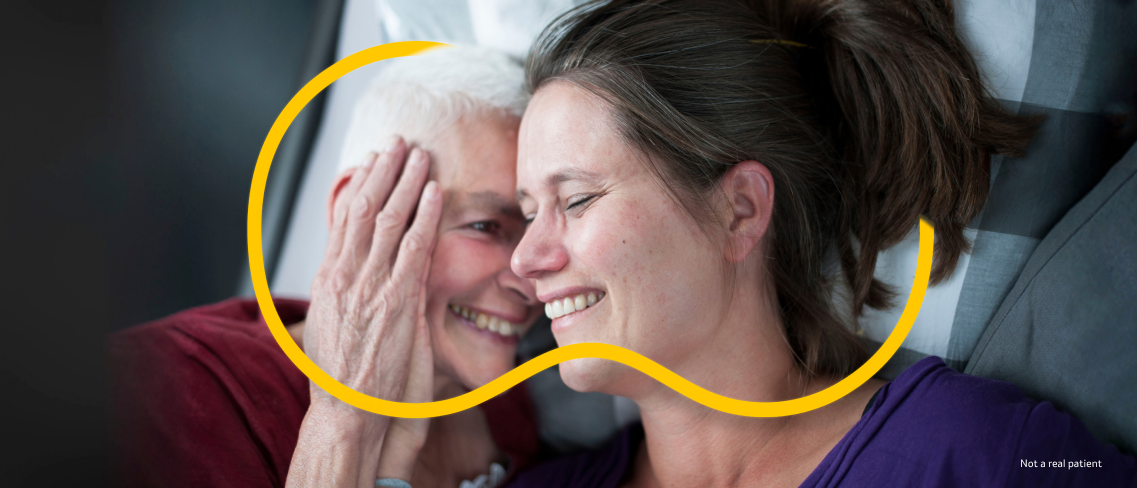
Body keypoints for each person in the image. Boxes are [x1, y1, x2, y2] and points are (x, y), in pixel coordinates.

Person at [503, 0, 1137, 486]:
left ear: (740, 210)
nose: (524, 260)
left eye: (577, 199)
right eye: (526, 214)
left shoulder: (968, 451)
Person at [110, 46, 542, 488]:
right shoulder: (156, 393)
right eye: (486, 226)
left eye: (539, 228)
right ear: (358, 208)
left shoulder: (512, 404)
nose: (531, 280)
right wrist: (344, 425)